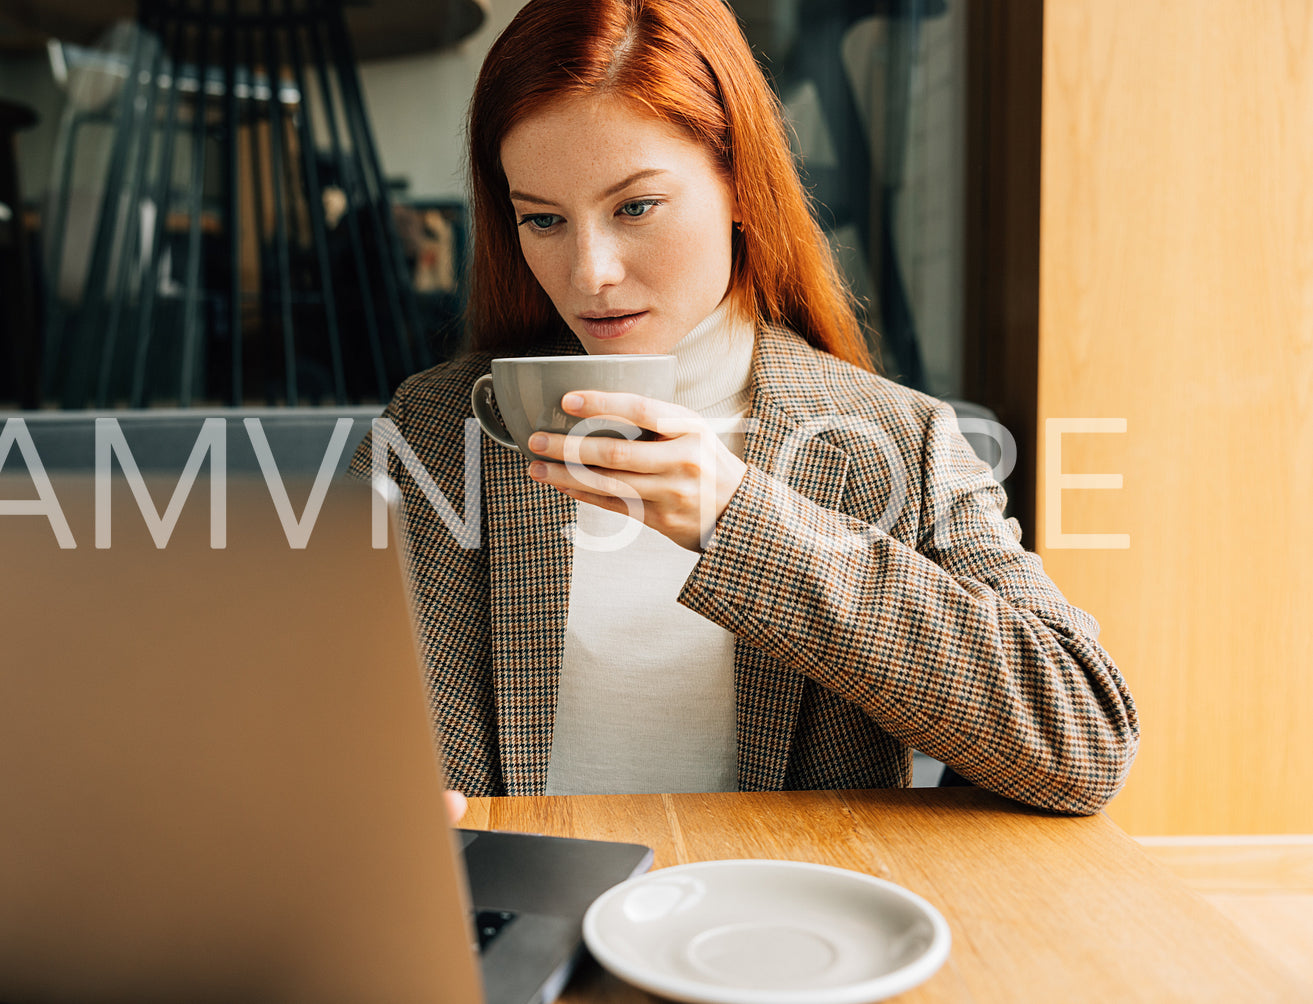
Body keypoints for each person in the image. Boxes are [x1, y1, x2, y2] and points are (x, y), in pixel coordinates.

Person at [349, 0, 1138, 815]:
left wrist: (743, 522)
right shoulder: (437, 429)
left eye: (634, 207)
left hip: (770, 929)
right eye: (543, 220)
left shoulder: (898, 441)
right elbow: (315, 710)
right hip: (516, 924)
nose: (590, 273)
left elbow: (1083, 741)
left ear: (737, 186)